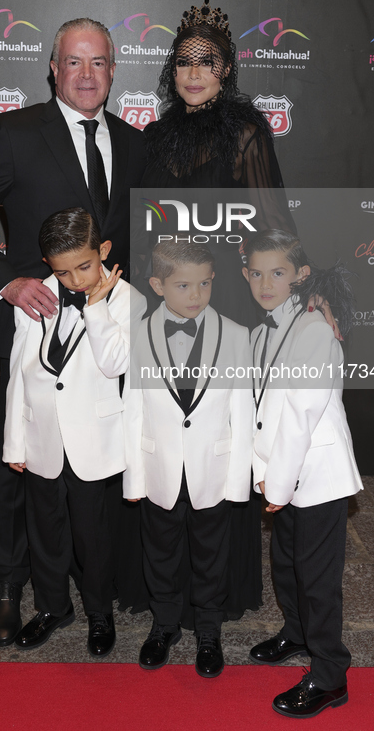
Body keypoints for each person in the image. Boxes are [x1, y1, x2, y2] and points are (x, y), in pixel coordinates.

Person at [0, 18, 146, 647]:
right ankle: (10, 581)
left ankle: (97, 593)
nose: (87, 75)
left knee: (95, 469)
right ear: (53, 69)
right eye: (74, 62)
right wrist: (7, 283)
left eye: (100, 63)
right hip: (36, 330)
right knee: (18, 466)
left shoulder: (136, 145)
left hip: (107, 339)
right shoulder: (14, 132)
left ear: (113, 71)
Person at [140, 0, 292, 621]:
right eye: (184, 62)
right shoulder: (154, 135)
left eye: (207, 62)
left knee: (217, 447)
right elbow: (142, 224)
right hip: (163, 302)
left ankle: (214, 597)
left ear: (226, 69)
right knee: (164, 441)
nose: (194, 73)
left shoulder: (248, 133)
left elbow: (274, 221)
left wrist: (301, 299)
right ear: (172, 71)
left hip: (227, 305)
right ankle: (162, 597)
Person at [2, 207, 146, 656]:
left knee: (93, 536)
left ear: (103, 250)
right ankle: (51, 607)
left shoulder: (128, 299)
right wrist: (14, 440)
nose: (76, 281)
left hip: (94, 440)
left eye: (84, 266)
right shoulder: (37, 295)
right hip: (42, 436)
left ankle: (99, 613)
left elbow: (115, 363)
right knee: (44, 530)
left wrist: (97, 307)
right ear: (48, 265)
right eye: (63, 272)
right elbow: (19, 371)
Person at [242, 229, 362, 718]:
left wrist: (279, 482)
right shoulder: (261, 331)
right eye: (256, 273)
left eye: (278, 273)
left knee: (317, 580)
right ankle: (296, 633)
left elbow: (301, 411)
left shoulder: (313, 326)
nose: (265, 283)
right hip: (284, 477)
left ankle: (331, 675)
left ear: (301, 276)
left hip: (315, 476)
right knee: (287, 567)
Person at [124, 240, 253, 678]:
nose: (196, 294)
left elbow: (242, 412)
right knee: (159, 552)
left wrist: (238, 483)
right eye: (183, 285)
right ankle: (163, 626)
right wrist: (134, 479)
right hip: (158, 467)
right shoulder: (137, 334)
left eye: (204, 283)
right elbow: (132, 410)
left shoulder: (237, 336)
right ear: (158, 285)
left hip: (213, 471)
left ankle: (208, 632)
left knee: (211, 555)